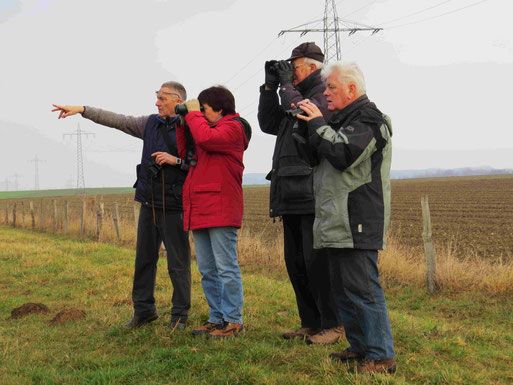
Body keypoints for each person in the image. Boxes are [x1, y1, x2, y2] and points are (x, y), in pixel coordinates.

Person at [52, 81, 192, 330]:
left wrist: (176, 160)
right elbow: (116, 119)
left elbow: (199, 161)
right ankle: (144, 311)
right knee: (144, 260)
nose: (156, 102)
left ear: (178, 100)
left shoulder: (191, 126)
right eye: (156, 97)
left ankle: (179, 316)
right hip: (149, 201)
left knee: (178, 264)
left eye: (162, 98)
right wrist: (83, 109)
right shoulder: (148, 124)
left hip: (175, 204)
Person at [296, 62, 396, 374]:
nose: (324, 93)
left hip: (358, 218)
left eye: (331, 88)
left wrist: (318, 125)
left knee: (363, 289)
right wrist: (305, 126)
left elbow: (343, 154)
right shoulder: (338, 121)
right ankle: (359, 348)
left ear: (352, 89)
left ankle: (380, 356)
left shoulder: (369, 119)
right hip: (338, 220)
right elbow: (315, 156)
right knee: (343, 288)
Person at [258, 42, 343, 345]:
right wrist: (269, 88)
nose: (290, 73)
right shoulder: (288, 94)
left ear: (311, 66)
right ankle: (310, 322)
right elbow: (268, 123)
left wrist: (284, 85)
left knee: (316, 263)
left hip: (311, 191)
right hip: (289, 190)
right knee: (295, 262)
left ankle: (332, 324)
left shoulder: (321, 92)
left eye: (293, 67)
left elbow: (302, 110)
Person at [176, 86, 250, 339]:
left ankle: (233, 320)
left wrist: (194, 115)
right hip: (201, 206)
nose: (200, 114)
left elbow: (207, 139)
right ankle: (216, 317)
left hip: (220, 206)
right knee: (207, 269)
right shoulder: (205, 128)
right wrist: (183, 120)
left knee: (226, 267)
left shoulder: (234, 128)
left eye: (204, 109)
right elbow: (187, 149)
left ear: (219, 109)